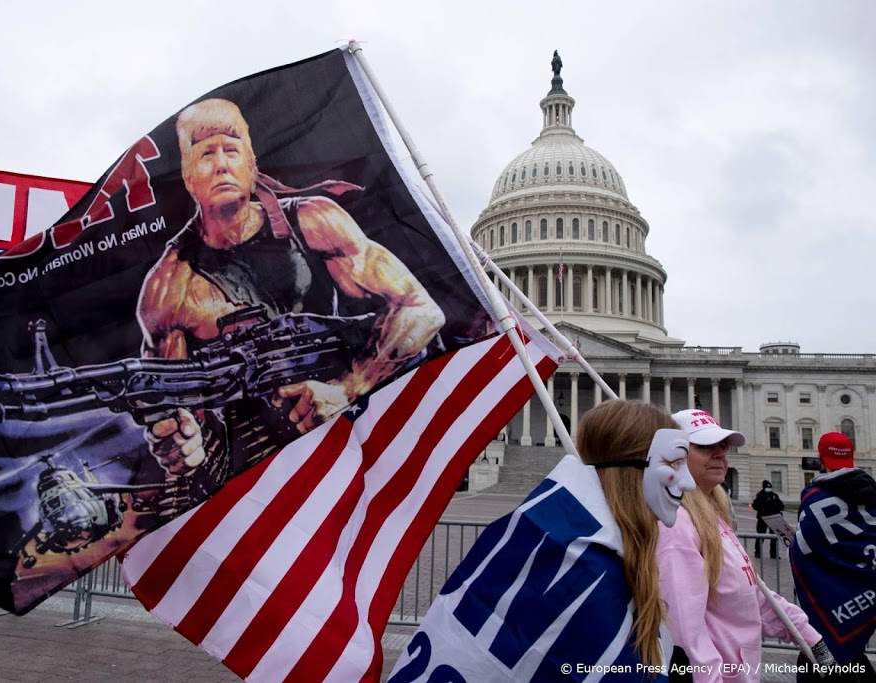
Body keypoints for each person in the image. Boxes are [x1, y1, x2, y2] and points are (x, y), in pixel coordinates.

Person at [138, 99, 446, 487]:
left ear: (251, 166)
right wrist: (183, 447)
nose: (221, 165)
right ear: (188, 176)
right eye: (205, 154)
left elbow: (420, 309)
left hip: (352, 430)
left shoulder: (312, 220)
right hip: (264, 467)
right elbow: (178, 413)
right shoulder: (168, 288)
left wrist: (348, 388)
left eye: (231, 151)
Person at [388, 400, 697, 681]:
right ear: (638, 468)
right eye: (674, 463)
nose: (690, 482)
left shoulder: (533, 537)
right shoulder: (588, 575)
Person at [658, 409, 833, 682]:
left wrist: (812, 640)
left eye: (723, 446)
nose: (720, 454)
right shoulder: (676, 525)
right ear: (674, 454)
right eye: (705, 446)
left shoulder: (713, 514)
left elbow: (748, 595)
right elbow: (684, 636)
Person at [789, 432, 876, 681]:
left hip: (828, 609)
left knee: (818, 662)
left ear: (821, 459)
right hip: (863, 597)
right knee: (853, 655)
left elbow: (803, 549)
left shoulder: (815, 497)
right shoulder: (872, 494)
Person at [751, 480, 784, 558]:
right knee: (761, 535)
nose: (769, 489)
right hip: (763, 518)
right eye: (767, 487)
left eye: (770, 487)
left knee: (774, 537)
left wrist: (776, 507)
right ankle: (758, 552)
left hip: (773, 518)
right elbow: (755, 506)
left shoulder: (774, 496)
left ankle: (774, 553)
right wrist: (762, 509)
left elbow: (781, 506)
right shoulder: (760, 496)